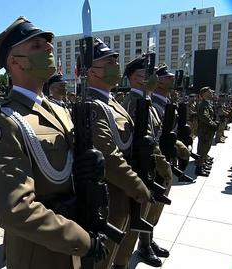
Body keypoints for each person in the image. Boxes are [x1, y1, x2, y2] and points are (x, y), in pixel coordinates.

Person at [0, 16, 108, 269]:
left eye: (48, 44)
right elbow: (14, 209)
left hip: (75, 230)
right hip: (39, 253)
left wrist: (91, 163)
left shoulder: (59, 110)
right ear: (14, 61)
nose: (49, 48)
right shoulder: (5, 118)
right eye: (37, 45)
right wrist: (81, 240)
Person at [83, 38, 152, 269]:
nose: (115, 67)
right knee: (104, 258)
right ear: (91, 71)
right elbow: (110, 157)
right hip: (111, 195)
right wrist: (137, 186)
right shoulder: (92, 105)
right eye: (108, 62)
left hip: (125, 192)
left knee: (120, 253)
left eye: (115, 61)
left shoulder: (113, 101)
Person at [116, 55, 173, 268]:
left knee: (153, 210)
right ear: (133, 78)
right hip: (142, 168)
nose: (152, 79)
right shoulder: (132, 102)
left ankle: (147, 241)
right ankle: (140, 247)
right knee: (139, 214)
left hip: (153, 166)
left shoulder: (146, 101)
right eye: (146, 75)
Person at [152, 64, 193, 183]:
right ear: (159, 83)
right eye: (168, 78)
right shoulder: (154, 104)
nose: (173, 80)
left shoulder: (166, 101)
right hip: (160, 154)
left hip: (169, 149)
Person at [195, 86, 218, 177]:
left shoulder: (207, 104)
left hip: (207, 131)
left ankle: (202, 165)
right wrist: (213, 123)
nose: (212, 94)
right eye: (210, 92)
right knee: (202, 150)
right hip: (205, 131)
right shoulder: (203, 105)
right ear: (205, 94)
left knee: (205, 149)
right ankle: (199, 169)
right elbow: (204, 117)